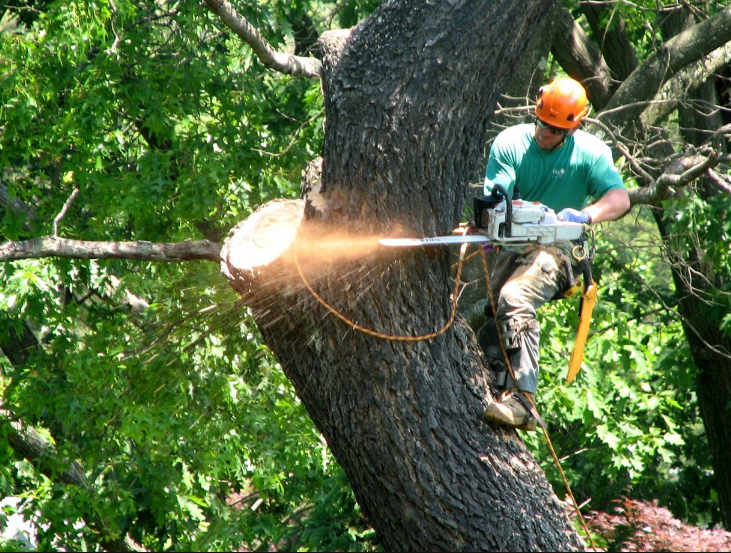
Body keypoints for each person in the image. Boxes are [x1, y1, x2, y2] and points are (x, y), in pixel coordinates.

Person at [480, 77, 630, 431]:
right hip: (516, 244)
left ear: (572, 127)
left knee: (515, 297)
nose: (545, 133)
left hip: (560, 250)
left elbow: (620, 198)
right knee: (493, 313)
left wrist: (586, 214)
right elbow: (496, 196)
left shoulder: (590, 153)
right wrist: (495, 220)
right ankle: (495, 385)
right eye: (542, 124)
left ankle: (524, 401)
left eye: (555, 130)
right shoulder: (510, 143)